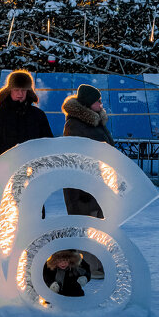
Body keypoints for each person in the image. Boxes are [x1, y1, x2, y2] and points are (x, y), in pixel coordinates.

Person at [0, 69, 53, 175]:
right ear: (9, 90)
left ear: (28, 91)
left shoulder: (38, 115)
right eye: (16, 89)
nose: (20, 93)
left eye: (23, 90)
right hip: (2, 172)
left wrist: (44, 172)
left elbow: (47, 145)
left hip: (31, 173)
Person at [61, 84, 114, 217]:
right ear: (88, 103)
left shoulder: (96, 122)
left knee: (99, 227)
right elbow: (74, 160)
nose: (101, 104)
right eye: (98, 101)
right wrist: (83, 188)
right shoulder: (74, 125)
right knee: (85, 227)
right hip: (83, 190)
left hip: (98, 183)